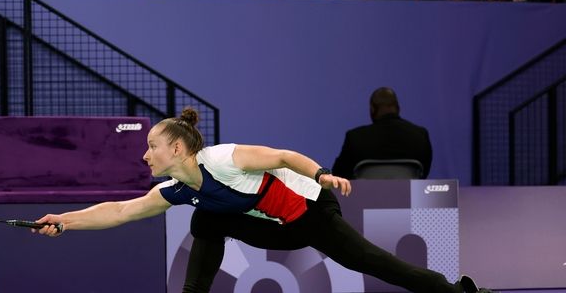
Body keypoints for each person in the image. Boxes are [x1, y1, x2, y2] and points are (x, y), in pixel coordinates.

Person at [33, 107, 495, 293]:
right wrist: (66, 221)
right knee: (206, 220)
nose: (144, 152)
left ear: (177, 148)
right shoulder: (175, 188)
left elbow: (282, 155)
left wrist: (323, 175)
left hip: (309, 213)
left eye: (152, 145)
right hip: (263, 223)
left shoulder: (224, 158)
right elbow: (120, 211)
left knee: (375, 263)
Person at [332, 87, 433, 179]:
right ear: (398, 108)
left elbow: (339, 175)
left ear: (372, 109)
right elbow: (423, 174)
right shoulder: (420, 135)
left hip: (365, 198)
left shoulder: (355, 137)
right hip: (410, 197)